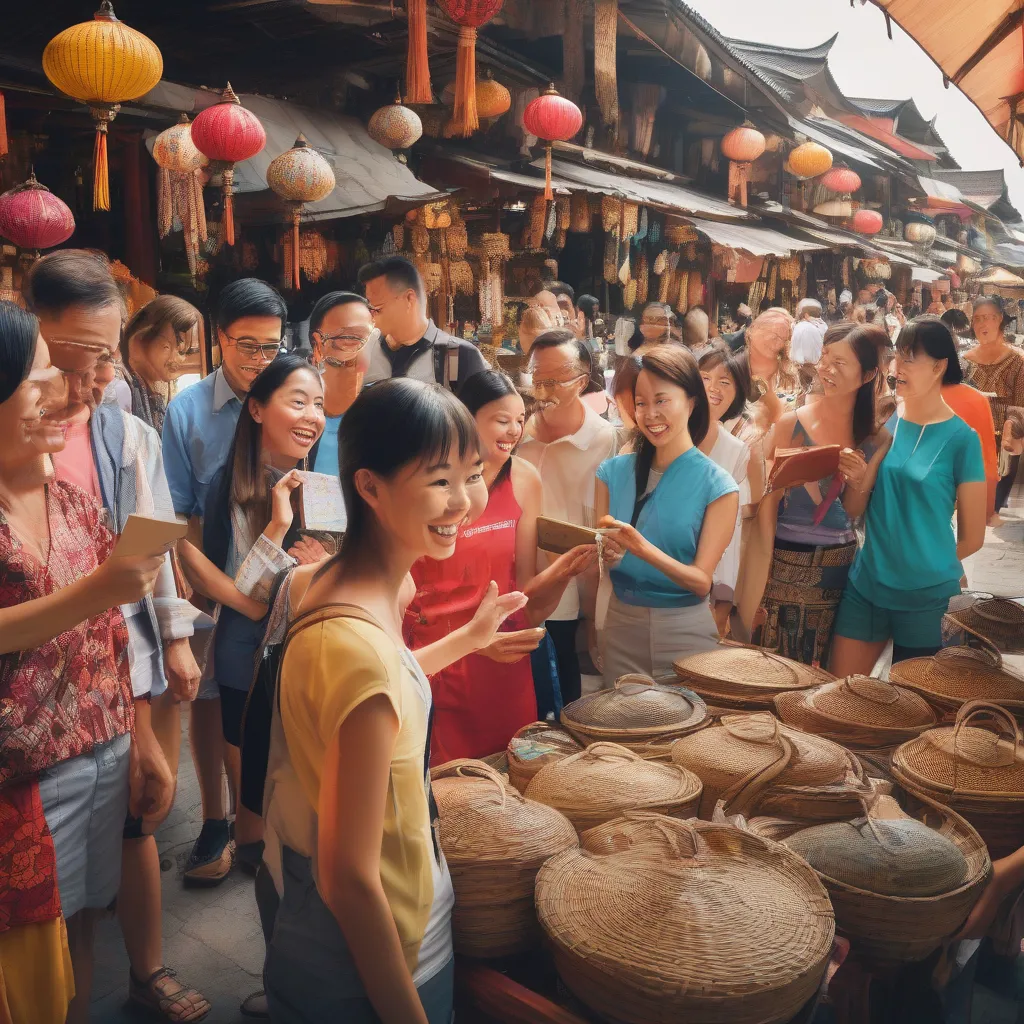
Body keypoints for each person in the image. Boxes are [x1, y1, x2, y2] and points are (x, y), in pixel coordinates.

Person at [262, 378, 484, 1023]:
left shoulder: (322, 580)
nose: (464, 501)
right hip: (380, 947)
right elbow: (349, 879)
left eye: (472, 475)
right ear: (369, 487)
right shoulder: (357, 650)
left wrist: (467, 640)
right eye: (440, 480)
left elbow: (379, 702)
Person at [24, 251, 209, 1022]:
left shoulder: (122, 434)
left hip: (113, 666)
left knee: (131, 816)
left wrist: (171, 639)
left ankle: (147, 969)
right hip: (32, 694)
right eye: (76, 357)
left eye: (105, 356)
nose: (94, 378)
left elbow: (150, 546)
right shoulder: (23, 431)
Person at [0, 301, 166, 1024]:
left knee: (81, 929)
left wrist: (143, 740)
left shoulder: (71, 503)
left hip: (102, 752)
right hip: (20, 787)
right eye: (38, 379)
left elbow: (111, 640)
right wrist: (100, 588)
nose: (64, 394)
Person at [162, 277, 288, 886]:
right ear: (219, 340)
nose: (260, 360)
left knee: (263, 698)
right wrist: (198, 585)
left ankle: (254, 821)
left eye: (271, 346)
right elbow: (180, 514)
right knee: (210, 699)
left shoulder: (291, 396)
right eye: (248, 346)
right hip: (211, 580)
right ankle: (216, 818)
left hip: (284, 583)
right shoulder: (186, 412)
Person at [177, 355, 325, 868]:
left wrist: (326, 562)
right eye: (299, 401)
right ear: (257, 410)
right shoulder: (234, 485)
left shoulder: (314, 483)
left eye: (319, 404)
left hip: (300, 643)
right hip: (249, 649)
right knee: (258, 779)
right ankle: (261, 859)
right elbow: (251, 591)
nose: (312, 415)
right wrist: (278, 527)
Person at [405, 370, 596, 763]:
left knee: (508, 793)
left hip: (505, 661)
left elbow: (524, 597)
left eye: (520, 420)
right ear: (465, 417)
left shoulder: (524, 479)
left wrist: (564, 571)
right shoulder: (425, 480)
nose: (513, 430)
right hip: (438, 660)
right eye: (501, 419)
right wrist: (469, 641)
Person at [831, 317, 987, 674]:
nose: (898, 368)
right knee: (837, 696)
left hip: (926, 599)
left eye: (910, 358)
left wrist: (919, 566)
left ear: (940, 366)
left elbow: (974, 537)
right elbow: (857, 508)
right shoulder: (886, 420)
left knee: (913, 715)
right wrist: (855, 479)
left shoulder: (963, 440)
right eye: (897, 356)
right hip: (866, 586)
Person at [736, 323, 889, 667]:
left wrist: (860, 480)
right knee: (773, 669)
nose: (826, 369)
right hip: (780, 566)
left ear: (867, 376)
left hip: (838, 569)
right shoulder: (792, 423)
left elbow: (851, 511)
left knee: (824, 676)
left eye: (840, 362)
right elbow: (764, 505)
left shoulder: (876, 438)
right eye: (824, 357)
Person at [596, 346, 739, 681]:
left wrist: (640, 547)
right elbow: (603, 560)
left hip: (686, 636)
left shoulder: (718, 484)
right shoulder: (610, 473)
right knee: (619, 731)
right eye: (641, 403)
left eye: (661, 400)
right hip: (620, 627)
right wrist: (604, 553)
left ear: (691, 401)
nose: (650, 414)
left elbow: (701, 582)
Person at [519, 330, 616, 706]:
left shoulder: (603, 439)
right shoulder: (517, 429)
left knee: (562, 686)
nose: (542, 390)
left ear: (581, 379)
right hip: (515, 574)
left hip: (570, 585)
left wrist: (593, 616)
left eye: (553, 380)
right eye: (536, 379)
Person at [358, 255, 487, 391]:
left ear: (409, 299)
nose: (370, 315)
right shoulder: (364, 350)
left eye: (377, 309)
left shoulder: (457, 356)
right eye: (369, 307)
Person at [697, 346, 752, 632]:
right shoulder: (662, 434)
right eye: (705, 377)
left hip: (706, 585)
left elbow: (733, 532)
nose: (712, 388)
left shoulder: (736, 451)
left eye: (725, 382)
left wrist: (724, 598)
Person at [305, 291, 376, 476]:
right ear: (318, 345)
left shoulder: (385, 413)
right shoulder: (294, 413)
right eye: (350, 339)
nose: (363, 351)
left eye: (373, 340)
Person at [965, 297, 1024, 513]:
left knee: (999, 484)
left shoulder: (1018, 360)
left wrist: (1011, 431)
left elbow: (1021, 403)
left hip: (1004, 432)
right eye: (978, 318)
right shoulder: (965, 359)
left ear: (999, 319)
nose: (983, 324)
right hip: (972, 431)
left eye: (989, 318)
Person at [122, 294, 201, 433]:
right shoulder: (122, 389)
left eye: (182, 352)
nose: (178, 359)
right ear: (139, 340)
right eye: (166, 347)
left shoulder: (157, 387)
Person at [743, 307, 799, 408]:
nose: (772, 339)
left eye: (782, 338)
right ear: (753, 330)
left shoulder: (786, 373)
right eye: (770, 332)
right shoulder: (733, 366)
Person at [790, 298, 827, 373]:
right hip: (819, 368)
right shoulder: (824, 326)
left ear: (806, 315)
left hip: (802, 369)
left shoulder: (801, 326)